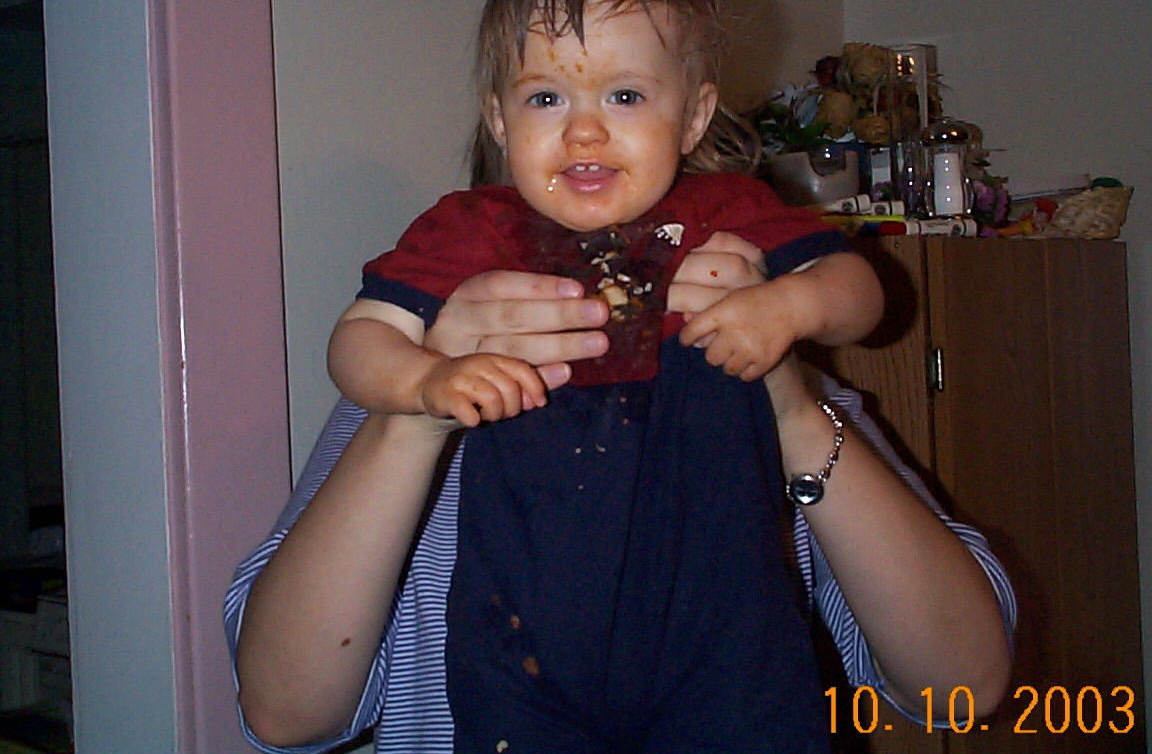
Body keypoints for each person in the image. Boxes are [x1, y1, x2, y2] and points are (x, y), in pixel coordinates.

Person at [324, 0, 886, 752]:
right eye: (546, 96)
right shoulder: (471, 232)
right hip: (522, 653)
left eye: (625, 95)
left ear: (693, 116)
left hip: (727, 644)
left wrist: (789, 308)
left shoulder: (729, 216)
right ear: (499, 117)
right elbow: (356, 340)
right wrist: (425, 381)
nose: (584, 128)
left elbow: (860, 292)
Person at [226, 247, 1015, 754]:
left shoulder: (789, 397)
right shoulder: (413, 394)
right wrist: (416, 409)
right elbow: (285, 710)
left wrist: (788, 410)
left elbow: (961, 684)